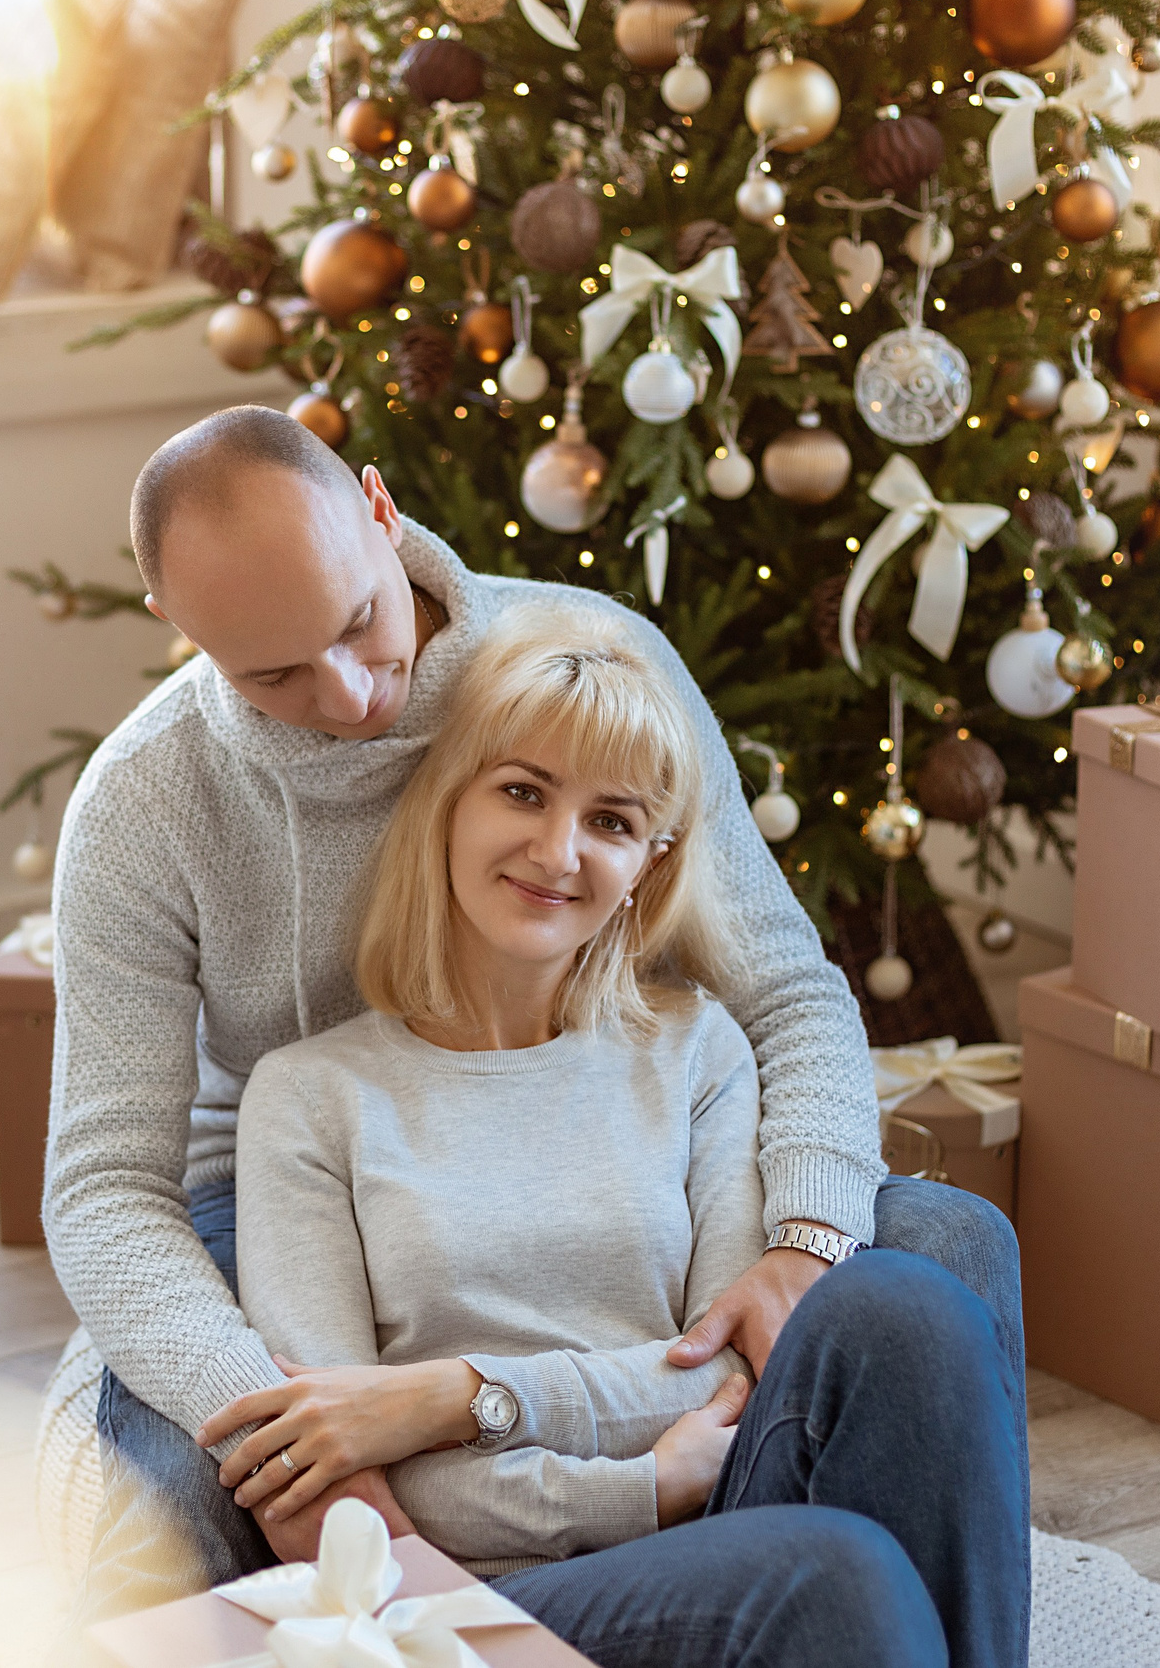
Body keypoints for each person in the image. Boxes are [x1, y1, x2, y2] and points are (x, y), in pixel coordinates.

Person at [44, 406, 1023, 1620]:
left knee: (945, 1259)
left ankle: (802, 1612)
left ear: (380, 509)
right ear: (179, 629)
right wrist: (302, 1438)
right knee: (210, 1466)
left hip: (593, 1091)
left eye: (357, 622)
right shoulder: (146, 801)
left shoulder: (583, 664)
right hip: (286, 1178)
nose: (348, 695)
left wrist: (801, 1240)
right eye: (274, 671)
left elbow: (784, 984)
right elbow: (102, 1184)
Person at [215, 605, 1027, 1667]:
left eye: (610, 820)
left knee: (908, 1300)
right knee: (837, 1569)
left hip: (727, 1502)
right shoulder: (309, 1095)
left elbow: (724, 1369)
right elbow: (346, 1462)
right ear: (446, 803)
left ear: (650, 860)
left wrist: (458, 1395)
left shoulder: (695, 1049)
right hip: (488, 1594)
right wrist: (643, 1485)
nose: (558, 851)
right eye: (521, 790)